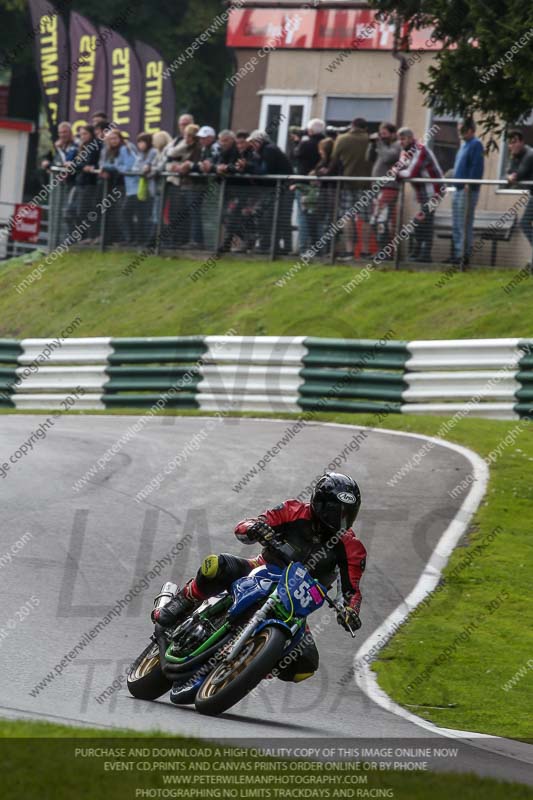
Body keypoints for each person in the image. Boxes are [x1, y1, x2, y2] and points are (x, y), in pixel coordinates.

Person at [153, 473, 366, 684]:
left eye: (348, 514)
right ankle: (183, 601)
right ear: (318, 503)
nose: (340, 520)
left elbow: (352, 591)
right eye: (334, 512)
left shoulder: (351, 548)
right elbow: (246, 525)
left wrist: (351, 611)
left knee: (305, 665)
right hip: (262, 568)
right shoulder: (293, 511)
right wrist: (256, 527)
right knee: (216, 565)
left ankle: (251, 666)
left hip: (295, 604)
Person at [395, 127, 445, 263]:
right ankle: (420, 253)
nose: (401, 142)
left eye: (403, 139)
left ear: (411, 138)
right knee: (423, 222)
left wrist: (397, 174)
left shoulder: (420, 149)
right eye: (399, 139)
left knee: (423, 221)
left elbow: (410, 172)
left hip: (435, 191)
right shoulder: (405, 151)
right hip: (423, 193)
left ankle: (424, 254)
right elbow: (400, 168)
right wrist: (398, 172)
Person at [330, 118, 372, 259]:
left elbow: (334, 159)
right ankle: (365, 251)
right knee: (365, 218)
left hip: (347, 182)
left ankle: (349, 250)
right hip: (366, 183)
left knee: (347, 216)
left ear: (352, 126)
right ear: (365, 128)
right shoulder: (369, 140)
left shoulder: (342, 139)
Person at [247, 129, 293, 253]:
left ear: (259, 141)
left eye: (252, 142)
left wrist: (248, 166)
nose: (251, 146)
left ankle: (271, 246)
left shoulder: (269, 150)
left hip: (280, 189)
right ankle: (270, 245)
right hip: (277, 189)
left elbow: (265, 171)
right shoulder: (265, 150)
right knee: (270, 217)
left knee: (272, 217)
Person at [450, 119, 484, 266]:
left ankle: (464, 256)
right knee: (457, 222)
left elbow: (477, 166)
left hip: (466, 190)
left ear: (470, 130)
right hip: (457, 189)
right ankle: (458, 254)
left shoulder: (476, 144)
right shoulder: (463, 145)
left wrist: (469, 184)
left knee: (464, 223)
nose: (459, 132)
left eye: (462, 129)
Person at [166, 123, 203, 248]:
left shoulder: (198, 147)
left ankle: (196, 241)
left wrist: (186, 167)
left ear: (193, 136)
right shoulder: (185, 145)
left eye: (188, 136)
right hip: (184, 184)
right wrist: (184, 144)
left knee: (194, 213)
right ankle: (181, 240)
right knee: (182, 213)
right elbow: (171, 154)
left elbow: (196, 164)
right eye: (185, 135)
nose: (185, 138)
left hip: (194, 184)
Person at [367, 122, 402, 251]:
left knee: (381, 219)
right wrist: (372, 145)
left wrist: (379, 143)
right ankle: (382, 250)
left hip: (389, 187)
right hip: (378, 188)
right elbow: (368, 158)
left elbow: (388, 158)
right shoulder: (382, 146)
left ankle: (386, 251)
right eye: (380, 134)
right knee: (377, 219)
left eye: (385, 134)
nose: (382, 137)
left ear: (393, 134)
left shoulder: (397, 145)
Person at [293, 118, 326, 253]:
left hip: (304, 185)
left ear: (310, 130)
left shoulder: (306, 144)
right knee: (318, 217)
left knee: (303, 216)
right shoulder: (325, 143)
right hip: (320, 186)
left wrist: (297, 142)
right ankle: (320, 248)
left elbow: (294, 155)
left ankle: (303, 247)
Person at [164, 113, 195, 247]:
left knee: (184, 213)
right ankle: (173, 240)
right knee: (172, 212)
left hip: (186, 182)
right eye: (182, 124)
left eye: (187, 123)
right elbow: (166, 157)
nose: (184, 126)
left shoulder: (192, 142)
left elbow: (173, 154)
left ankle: (182, 241)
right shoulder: (175, 140)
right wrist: (172, 166)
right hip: (173, 181)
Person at [70, 125, 101, 241]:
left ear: (91, 134)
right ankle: (79, 237)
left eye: (85, 134)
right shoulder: (82, 147)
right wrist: (76, 165)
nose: (82, 136)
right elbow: (81, 165)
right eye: (81, 134)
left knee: (84, 211)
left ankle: (88, 237)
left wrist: (75, 165)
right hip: (80, 183)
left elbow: (89, 165)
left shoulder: (95, 146)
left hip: (90, 184)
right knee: (73, 211)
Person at [507, 130, 533, 257]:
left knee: (524, 223)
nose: (512, 146)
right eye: (510, 143)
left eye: (514, 142)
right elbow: (509, 173)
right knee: (525, 223)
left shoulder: (529, 154)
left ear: (522, 142)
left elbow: (518, 175)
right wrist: (512, 156)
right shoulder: (518, 156)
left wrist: (513, 176)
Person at [130, 132, 158, 246]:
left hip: (152, 189)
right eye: (138, 142)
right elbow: (135, 168)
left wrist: (147, 169)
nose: (140, 145)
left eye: (142, 142)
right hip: (142, 189)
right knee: (142, 214)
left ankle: (151, 241)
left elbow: (150, 167)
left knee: (153, 214)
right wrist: (144, 169)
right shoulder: (140, 154)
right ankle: (141, 239)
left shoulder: (154, 152)